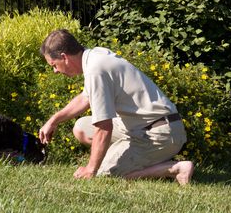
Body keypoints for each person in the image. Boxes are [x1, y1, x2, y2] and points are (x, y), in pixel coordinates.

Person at [38, 29, 194, 185]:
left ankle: (174, 168)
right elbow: (85, 98)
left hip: (160, 134)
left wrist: (91, 169)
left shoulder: (95, 70)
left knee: (104, 174)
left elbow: (104, 127)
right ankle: (132, 157)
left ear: (64, 57)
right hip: (144, 127)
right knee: (81, 128)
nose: (55, 71)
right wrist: (54, 120)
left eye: (54, 65)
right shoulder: (95, 56)